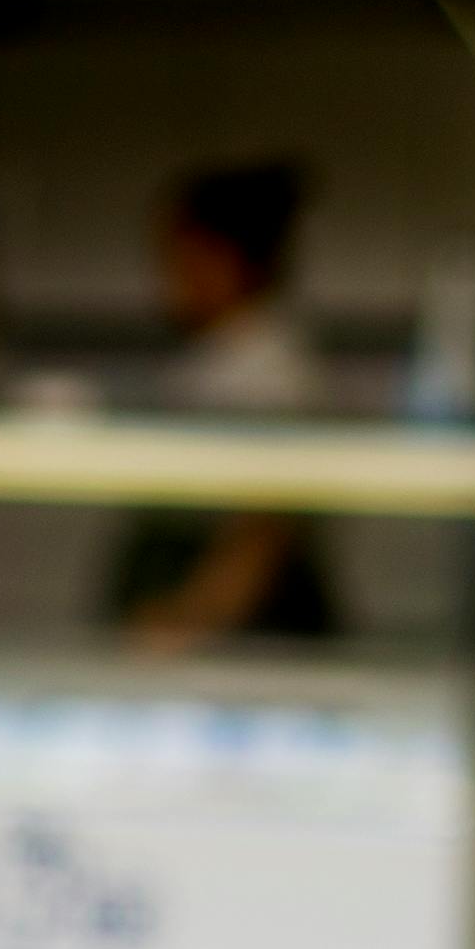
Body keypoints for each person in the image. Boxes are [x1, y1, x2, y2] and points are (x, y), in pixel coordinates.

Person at [111, 154, 337, 651]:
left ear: (221, 259)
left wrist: (187, 620)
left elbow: (266, 529)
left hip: (252, 641)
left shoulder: (274, 373)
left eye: (174, 256)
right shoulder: (217, 356)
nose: (164, 277)